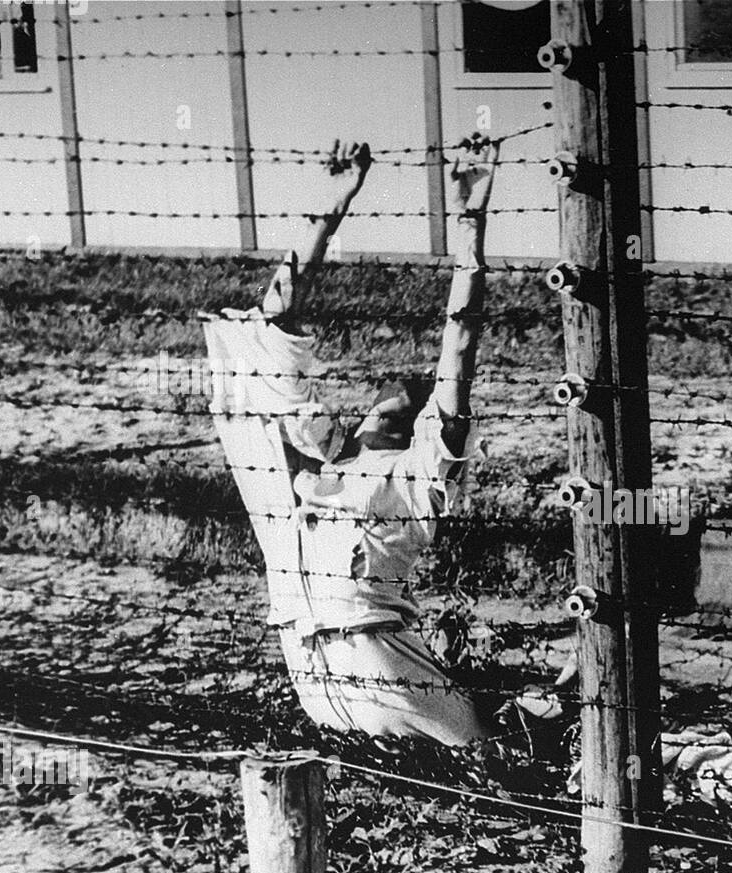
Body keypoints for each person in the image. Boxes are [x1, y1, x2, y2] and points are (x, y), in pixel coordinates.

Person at [206, 134, 539, 757]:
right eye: (385, 395)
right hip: (310, 671)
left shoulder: (417, 475)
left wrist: (470, 220)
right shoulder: (317, 459)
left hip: (380, 658)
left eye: (407, 400)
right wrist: (333, 202)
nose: (390, 396)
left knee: (509, 761)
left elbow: (459, 347)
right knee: (464, 763)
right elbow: (274, 326)